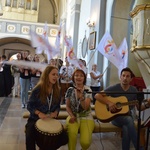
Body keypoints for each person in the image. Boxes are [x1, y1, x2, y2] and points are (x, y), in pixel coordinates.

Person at [95, 67, 150, 150]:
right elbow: (97, 95)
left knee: (126, 127)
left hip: (128, 117)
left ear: (131, 79)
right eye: (123, 76)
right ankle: (139, 148)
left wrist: (147, 105)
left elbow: (139, 108)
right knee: (129, 120)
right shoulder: (114, 88)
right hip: (114, 117)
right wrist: (109, 103)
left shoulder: (134, 90)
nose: (125, 78)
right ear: (120, 77)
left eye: (128, 76)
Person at [25, 65, 67, 150]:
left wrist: (55, 112)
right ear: (47, 75)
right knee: (29, 135)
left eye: (57, 74)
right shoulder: (38, 89)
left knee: (64, 138)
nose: (56, 76)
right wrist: (39, 113)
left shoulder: (57, 90)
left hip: (50, 119)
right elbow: (29, 105)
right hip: (35, 118)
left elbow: (57, 106)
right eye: (53, 74)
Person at [65, 69, 95, 150]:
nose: (79, 77)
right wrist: (71, 115)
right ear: (73, 77)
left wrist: (81, 97)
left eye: (81, 76)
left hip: (86, 117)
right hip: (73, 116)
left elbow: (85, 107)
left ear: (84, 78)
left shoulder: (88, 90)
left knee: (86, 142)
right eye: (76, 75)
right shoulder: (70, 90)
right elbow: (67, 106)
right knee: (72, 135)